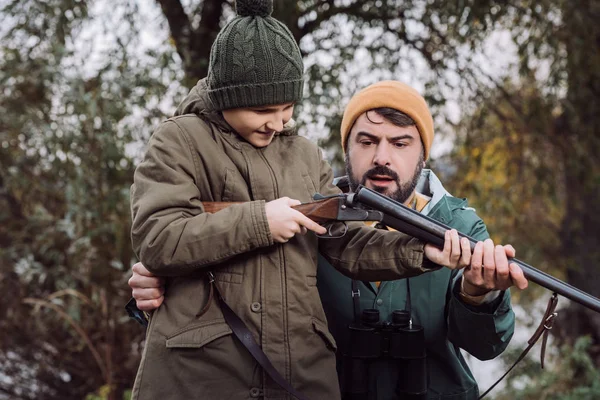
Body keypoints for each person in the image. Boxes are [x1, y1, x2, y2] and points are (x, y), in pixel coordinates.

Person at [129, 1, 470, 399]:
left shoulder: (306, 155)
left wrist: (424, 252)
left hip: (300, 372)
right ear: (226, 97)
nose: (278, 122)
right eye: (263, 110)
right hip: (202, 374)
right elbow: (157, 239)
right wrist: (261, 221)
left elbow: (345, 245)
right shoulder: (179, 140)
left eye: (288, 108)